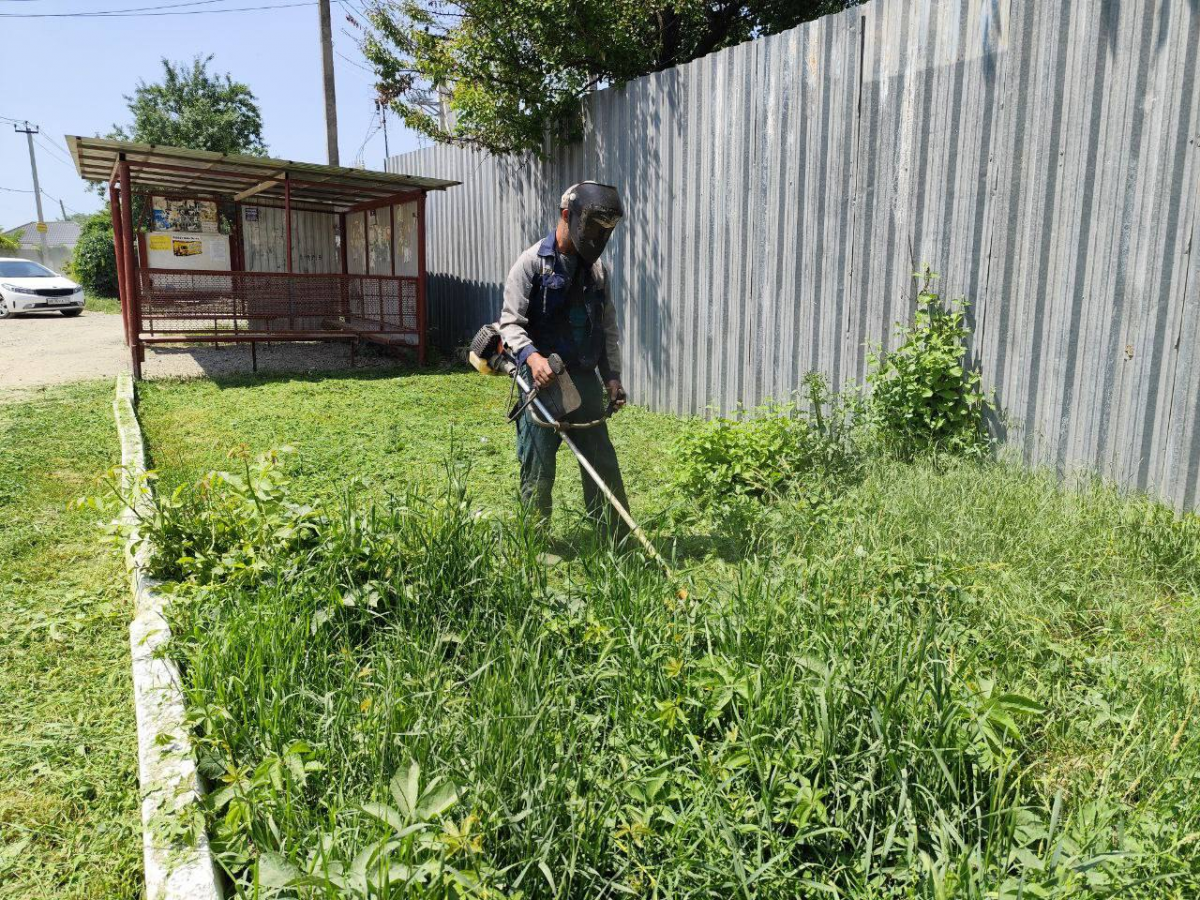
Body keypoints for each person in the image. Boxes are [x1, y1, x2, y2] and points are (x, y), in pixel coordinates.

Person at [500, 181, 629, 536]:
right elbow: (509, 324)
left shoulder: (598, 272)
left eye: (603, 231)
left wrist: (613, 377)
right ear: (566, 216)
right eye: (590, 226)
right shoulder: (530, 265)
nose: (595, 237)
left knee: (602, 464)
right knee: (538, 468)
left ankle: (614, 539)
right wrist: (531, 356)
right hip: (541, 388)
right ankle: (534, 545)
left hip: (585, 384)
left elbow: (607, 329)